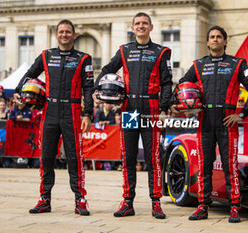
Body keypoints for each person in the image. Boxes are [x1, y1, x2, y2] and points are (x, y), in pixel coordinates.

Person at [171, 25, 248, 223]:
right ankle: (202, 206)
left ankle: (235, 207)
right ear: (207, 42)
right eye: (212, 37)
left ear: (225, 41)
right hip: (205, 120)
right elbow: (181, 86)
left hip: (227, 119)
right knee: (204, 166)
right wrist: (176, 104)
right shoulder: (198, 65)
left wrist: (242, 114)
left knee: (230, 165)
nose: (215, 39)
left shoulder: (237, 64)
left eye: (219, 37)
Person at [94, 12, 172, 219]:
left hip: (152, 106)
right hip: (129, 107)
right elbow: (107, 69)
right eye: (137, 23)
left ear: (151, 27)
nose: (141, 26)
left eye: (145, 23)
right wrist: (97, 88)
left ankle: (156, 202)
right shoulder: (124, 50)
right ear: (132, 27)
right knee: (127, 156)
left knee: (153, 157)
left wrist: (164, 109)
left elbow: (166, 83)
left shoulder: (161, 52)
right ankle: (127, 201)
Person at [14, 19, 94, 215]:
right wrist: (17, 91)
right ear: (56, 35)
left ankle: (80, 199)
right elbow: (30, 74)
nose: (64, 34)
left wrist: (87, 113)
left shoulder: (84, 58)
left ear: (74, 35)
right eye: (61, 32)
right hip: (49, 111)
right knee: (46, 157)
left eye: (68, 32)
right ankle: (44, 199)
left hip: (73, 111)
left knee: (75, 158)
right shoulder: (46, 55)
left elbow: (88, 88)